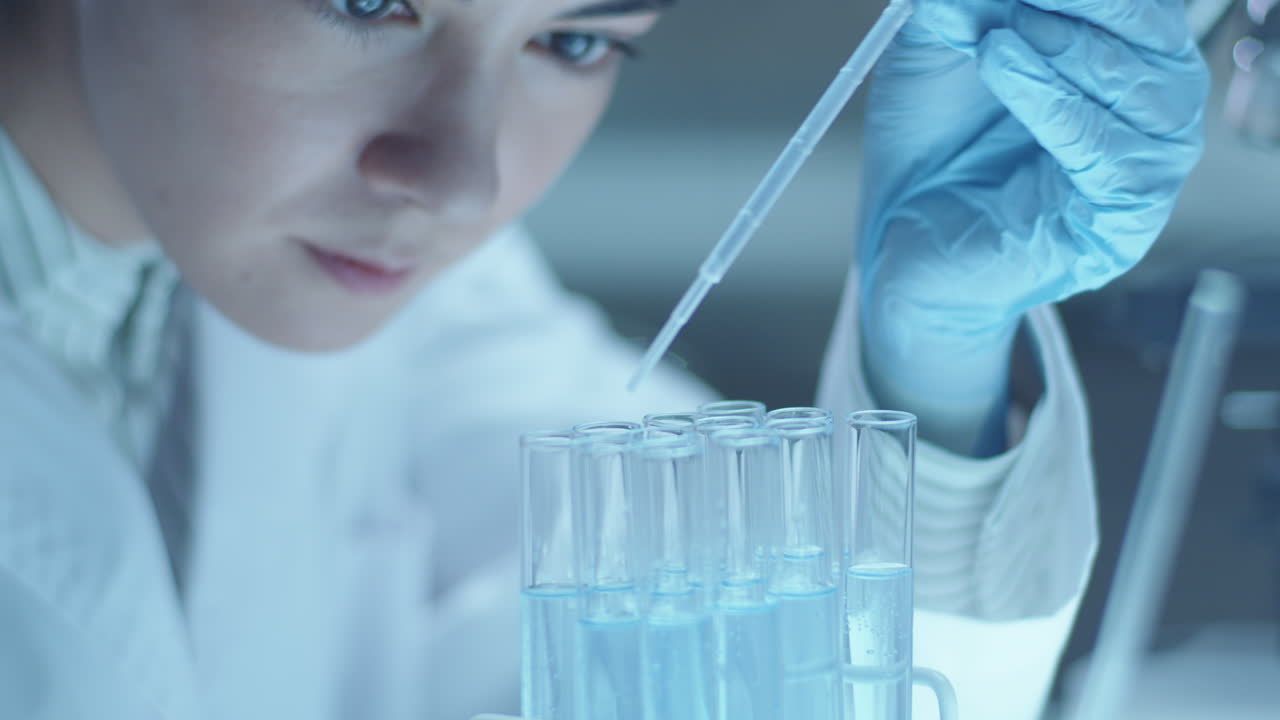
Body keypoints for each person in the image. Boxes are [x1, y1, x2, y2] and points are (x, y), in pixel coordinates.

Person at [0, 0, 1208, 718]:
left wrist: (931, 369)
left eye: (574, 40)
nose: (462, 178)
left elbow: (776, 679)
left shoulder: (415, 304)